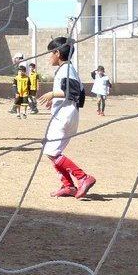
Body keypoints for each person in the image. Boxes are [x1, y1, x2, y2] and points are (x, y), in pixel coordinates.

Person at [38, 37, 96, 199]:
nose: (49, 57)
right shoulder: (67, 69)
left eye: (51, 53)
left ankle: (83, 178)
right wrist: (56, 101)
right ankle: (68, 186)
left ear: (57, 53)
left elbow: (75, 92)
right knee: (51, 151)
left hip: (64, 116)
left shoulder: (66, 70)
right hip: (66, 114)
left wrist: (52, 94)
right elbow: (79, 94)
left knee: (52, 151)